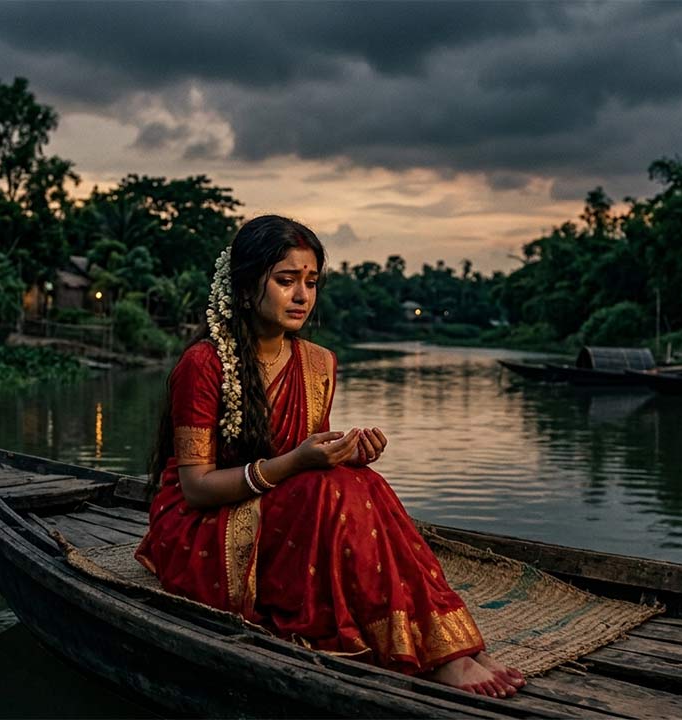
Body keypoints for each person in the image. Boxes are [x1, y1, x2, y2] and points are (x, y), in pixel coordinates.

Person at [135, 215, 525, 698]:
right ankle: (433, 651)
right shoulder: (205, 363)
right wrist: (299, 463)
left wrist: (346, 453)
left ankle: (445, 639)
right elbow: (196, 488)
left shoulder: (319, 362)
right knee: (334, 489)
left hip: (280, 504)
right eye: (285, 280)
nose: (302, 295)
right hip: (202, 522)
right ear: (244, 286)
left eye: (311, 282)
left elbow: (308, 458)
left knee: (365, 484)